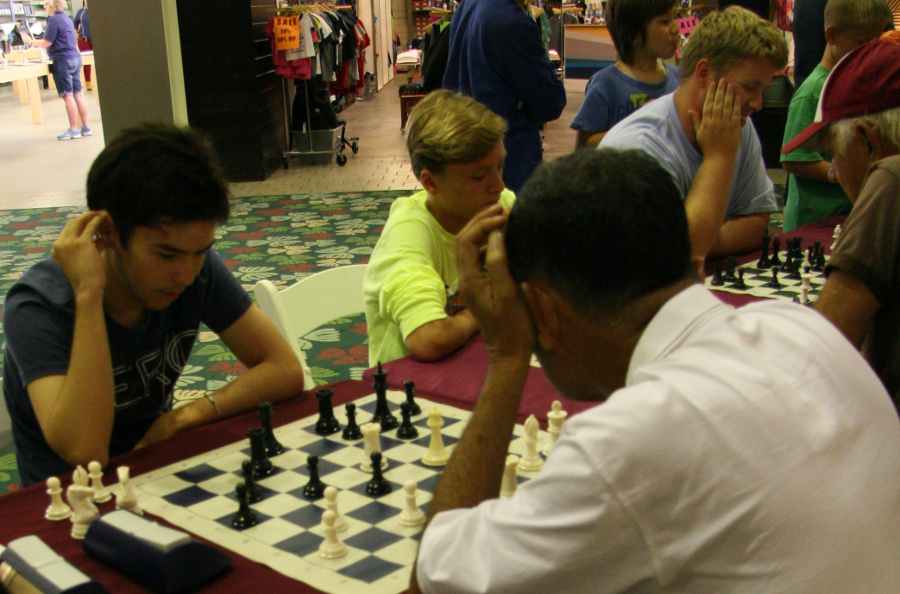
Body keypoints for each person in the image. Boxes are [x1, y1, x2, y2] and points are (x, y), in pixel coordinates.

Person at [410, 147, 900, 594]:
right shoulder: (800, 327)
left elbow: (436, 579)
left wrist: (507, 356)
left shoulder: (628, 443)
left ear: (542, 310)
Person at [3, 123, 306, 487]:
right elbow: (87, 451)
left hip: (152, 477)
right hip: (68, 504)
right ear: (107, 232)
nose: (186, 275)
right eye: (166, 255)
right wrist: (88, 295)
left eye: (200, 252)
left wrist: (182, 418)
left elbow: (286, 369)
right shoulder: (38, 305)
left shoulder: (195, 268)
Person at [600, 7, 787, 265]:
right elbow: (679, 252)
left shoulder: (738, 125)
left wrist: (701, 238)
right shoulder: (637, 147)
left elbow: (757, 223)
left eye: (763, 90)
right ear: (703, 73)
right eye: (749, 87)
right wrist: (718, 158)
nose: (758, 103)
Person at [782, 39, 900, 409]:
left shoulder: (892, 179)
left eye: (833, 151)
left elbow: (825, 345)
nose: (833, 170)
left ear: (868, 140)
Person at [364, 91, 515, 366]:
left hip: (471, 367)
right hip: (411, 392)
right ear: (430, 183)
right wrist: (480, 311)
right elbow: (429, 338)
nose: (499, 185)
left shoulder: (499, 203)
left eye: (500, 166)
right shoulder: (408, 231)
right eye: (479, 176)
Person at [780, 0, 893, 231]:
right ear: (831, 36)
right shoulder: (813, 91)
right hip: (812, 220)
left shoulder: (856, 82)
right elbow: (792, 158)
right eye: (861, 43)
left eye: (876, 43)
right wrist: (843, 173)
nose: (869, 52)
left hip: (845, 213)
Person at [442, 0, 566, 193]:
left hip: (467, 150)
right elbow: (550, 102)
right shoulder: (511, 22)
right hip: (508, 162)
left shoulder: (467, 7)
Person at [570, 0, 680, 149]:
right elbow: (583, 147)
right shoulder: (605, 85)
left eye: (674, 18)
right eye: (665, 21)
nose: (675, 28)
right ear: (634, 34)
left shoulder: (679, 80)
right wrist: (637, 124)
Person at [31, 0, 90, 140]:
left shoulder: (53, 20)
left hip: (62, 60)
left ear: (52, 5)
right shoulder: (67, 19)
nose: (44, 7)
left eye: (46, 4)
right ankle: (85, 127)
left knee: (67, 95)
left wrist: (32, 41)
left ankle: (73, 129)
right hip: (75, 58)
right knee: (79, 94)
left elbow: (47, 42)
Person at [73, 0, 91, 90]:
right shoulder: (81, 12)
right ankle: (88, 83)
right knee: (87, 62)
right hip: (84, 39)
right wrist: (76, 33)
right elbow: (75, 23)